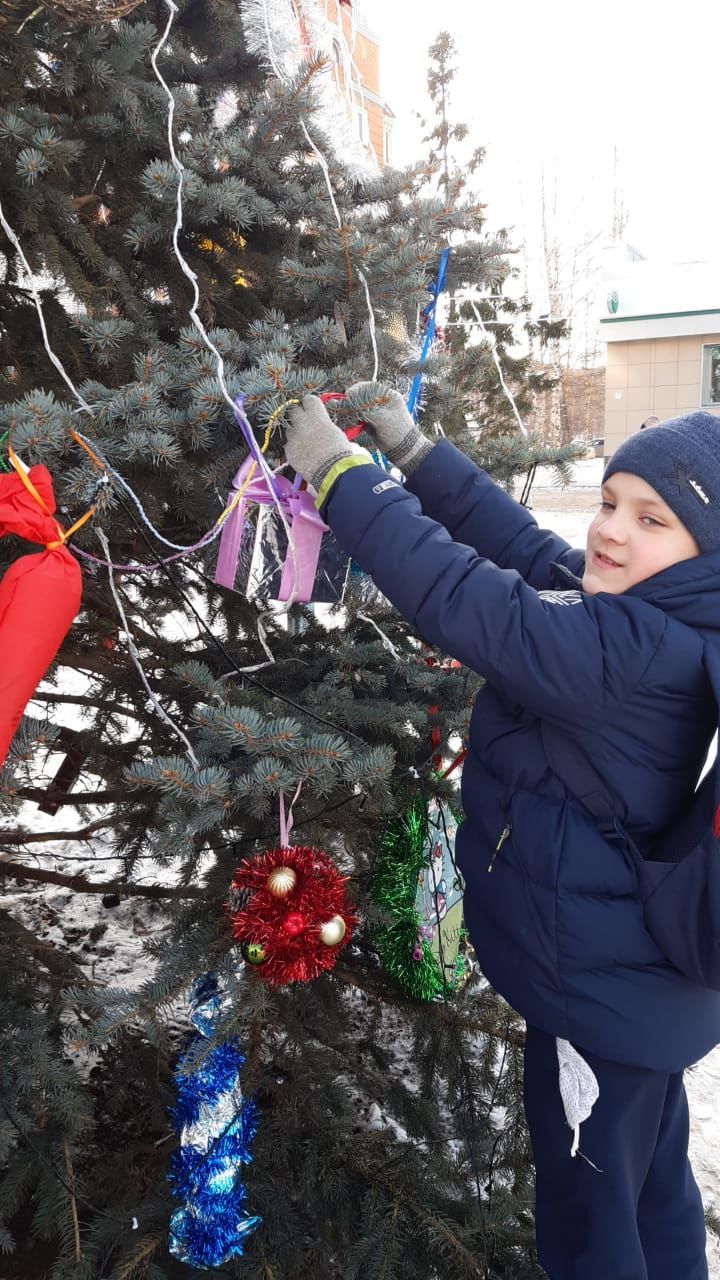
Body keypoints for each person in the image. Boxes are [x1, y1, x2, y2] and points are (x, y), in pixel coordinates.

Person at [284, 390, 720, 1280]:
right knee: (651, 1190)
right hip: (638, 1001)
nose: (610, 532)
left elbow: (467, 597)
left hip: (590, 1006)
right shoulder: (659, 621)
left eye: (652, 519)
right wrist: (416, 454)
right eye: (607, 502)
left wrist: (343, 478)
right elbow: (522, 549)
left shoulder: (624, 650)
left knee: (590, 1225)